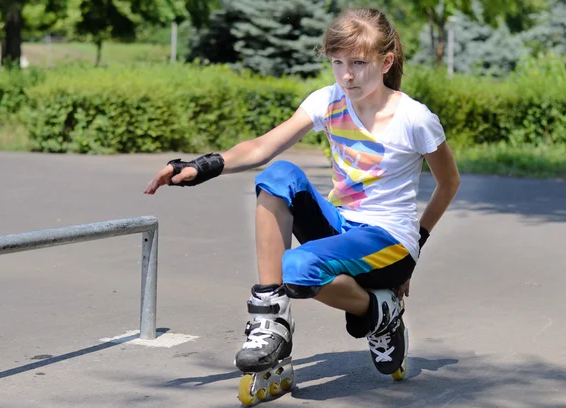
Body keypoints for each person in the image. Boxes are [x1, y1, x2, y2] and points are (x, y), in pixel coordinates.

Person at [144, 7, 460, 381]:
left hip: (389, 238)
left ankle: (381, 312)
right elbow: (263, 147)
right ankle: (270, 321)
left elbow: (448, 182)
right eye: (337, 62)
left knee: (297, 268)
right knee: (278, 174)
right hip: (341, 225)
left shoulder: (415, 118)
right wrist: (203, 166)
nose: (346, 75)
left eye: (358, 63)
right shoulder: (328, 101)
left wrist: (418, 244)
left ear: (386, 60)